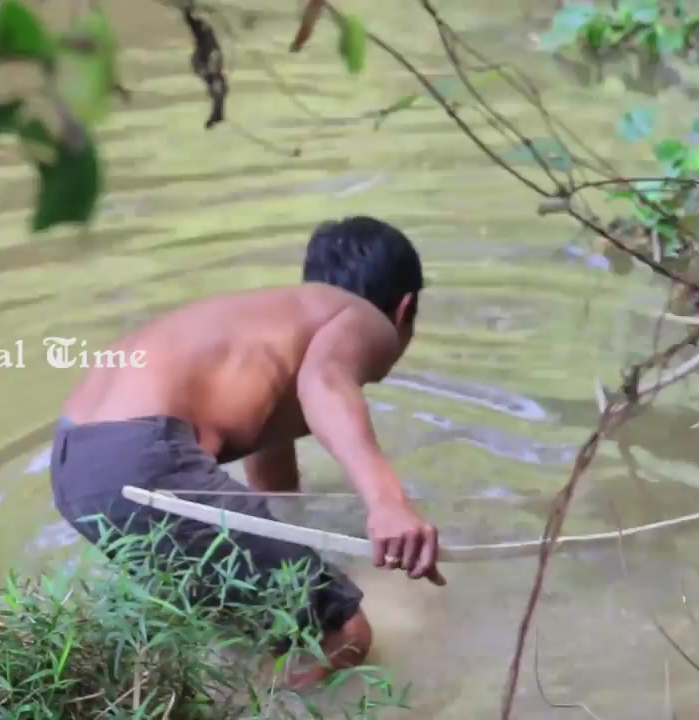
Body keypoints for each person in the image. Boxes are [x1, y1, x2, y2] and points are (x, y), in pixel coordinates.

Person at [48, 215, 444, 689]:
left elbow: (273, 485)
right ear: (404, 310)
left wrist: (295, 551)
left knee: (256, 633)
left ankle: (223, 695)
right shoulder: (365, 321)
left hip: (77, 469)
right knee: (345, 632)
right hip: (142, 460)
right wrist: (389, 504)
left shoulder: (279, 325)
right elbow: (326, 383)